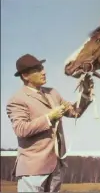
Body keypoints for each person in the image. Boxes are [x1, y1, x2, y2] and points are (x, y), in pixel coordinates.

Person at [6, 53, 94, 192]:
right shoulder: (17, 99)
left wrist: (86, 93)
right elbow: (20, 129)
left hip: (56, 166)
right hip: (33, 169)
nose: (44, 72)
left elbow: (75, 112)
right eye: (38, 69)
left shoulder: (53, 93)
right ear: (25, 76)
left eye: (42, 68)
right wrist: (49, 118)